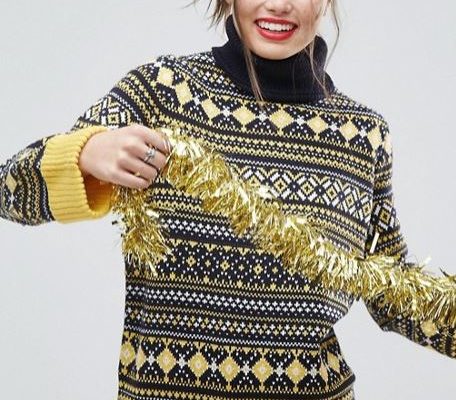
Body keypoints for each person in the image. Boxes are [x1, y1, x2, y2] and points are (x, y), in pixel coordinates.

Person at [1, 1, 454, 399]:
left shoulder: (363, 136)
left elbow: (395, 295)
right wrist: (86, 152)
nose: (278, 4)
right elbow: (9, 191)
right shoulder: (163, 92)